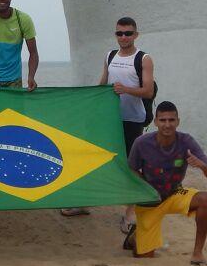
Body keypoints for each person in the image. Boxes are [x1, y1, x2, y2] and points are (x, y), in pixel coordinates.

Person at [61, 16, 154, 221]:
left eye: (128, 33)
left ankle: (131, 210)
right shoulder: (110, 56)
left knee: (131, 164)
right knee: (93, 158)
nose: (123, 37)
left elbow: (148, 91)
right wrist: (90, 103)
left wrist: (126, 90)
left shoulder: (143, 58)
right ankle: (84, 202)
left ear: (135, 35)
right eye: (119, 33)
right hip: (108, 118)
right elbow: (102, 84)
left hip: (133, 119)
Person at [123, 101, 207, 265]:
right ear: (156, 122)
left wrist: (202, 166)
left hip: (174, 194)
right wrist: (147, 188)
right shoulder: (142, 143)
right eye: (163, 120)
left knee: (206, 199)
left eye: (171, 120)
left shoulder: (186, 141)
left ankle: (198, 253)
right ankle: (134, 236)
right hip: (149, 201)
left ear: (178, 121)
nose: (167, 124)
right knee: (144, 257)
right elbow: (130, 171)